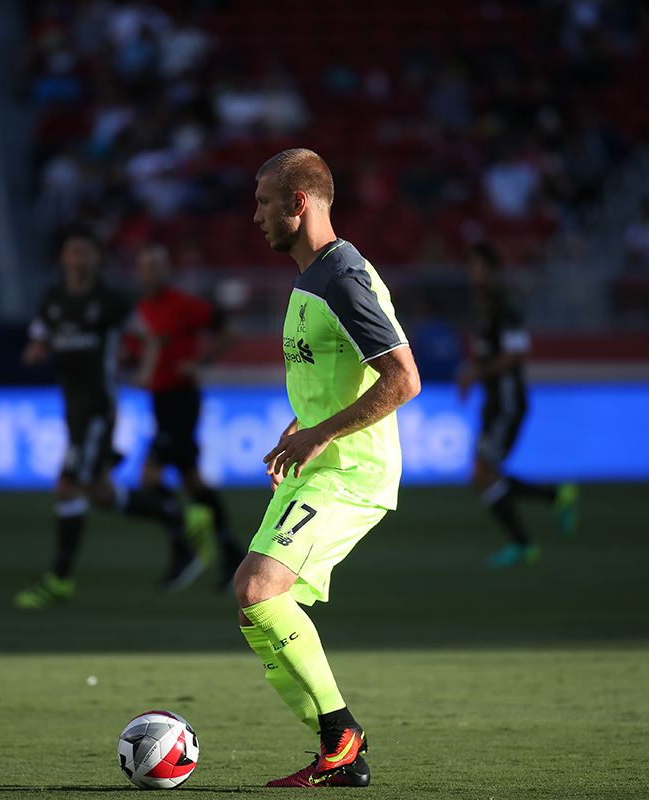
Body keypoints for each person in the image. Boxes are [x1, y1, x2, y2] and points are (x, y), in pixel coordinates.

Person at [236, 149, 421, 788]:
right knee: (254, 605)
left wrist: (319, 432)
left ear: (299, 203)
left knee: (260, 590)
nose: (254, 215)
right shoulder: (311, 276)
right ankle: (341, 749)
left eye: (263, 202)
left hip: (353, 472)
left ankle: (340, 738)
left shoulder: (344, 278)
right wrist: (300, 426)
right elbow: (334, 376)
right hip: (322, 465)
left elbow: (404, 379)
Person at [14, 230, 205, 609]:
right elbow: (37, 342)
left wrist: (144, 372)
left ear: (97, 259)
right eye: (73, 251)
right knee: (101, 494)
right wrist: (35, 353)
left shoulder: (111, 301)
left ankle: (59, 580)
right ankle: (175, 516)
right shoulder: (53, 300)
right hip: (71, 405)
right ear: (64, 257)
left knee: (66, 487)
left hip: (98, 407)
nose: (79, 259)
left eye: (87, 252)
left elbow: (148, 338)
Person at [457, 242, 579, 567]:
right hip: (493, 400)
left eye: (481, 268)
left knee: (483, 473)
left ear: (493, 271)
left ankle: (528, 537)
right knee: (482, 474)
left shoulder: (505, 306)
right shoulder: (480, 306)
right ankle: (549, 504)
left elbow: (518, 351)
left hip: (508, 402)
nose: (475, 274)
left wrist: (475, 374)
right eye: (472, 267)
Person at [131, 243, 243, 590]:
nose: (152, 272)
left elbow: (228, 332)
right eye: (146, 265)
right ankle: (231, 554)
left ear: (167, 270)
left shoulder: (183, 305)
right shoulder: (138, 312)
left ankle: (187, 550)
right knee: (193, 483)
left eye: (158, 265)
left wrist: (202, 362)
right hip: (160, 401)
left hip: (182, 399)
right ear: (139, 272)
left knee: (150, 479)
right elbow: (136, 353)